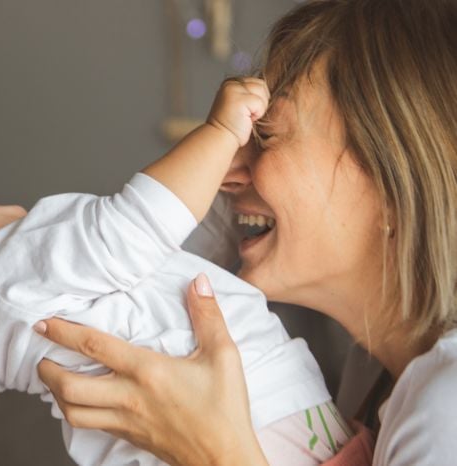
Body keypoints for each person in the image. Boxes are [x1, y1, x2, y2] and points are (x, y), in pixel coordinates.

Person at [0, 75, 354, 464]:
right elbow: (133, 228)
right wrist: (216, 133)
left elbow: (173, 261)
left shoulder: (23, 338)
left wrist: (215, 185)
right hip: (263, 411)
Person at [34, 0, 457, 465]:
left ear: (395, 183)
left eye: (268, 133)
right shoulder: (378, 374)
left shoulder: (444, 415)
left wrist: (215, 451)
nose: (228, 170)